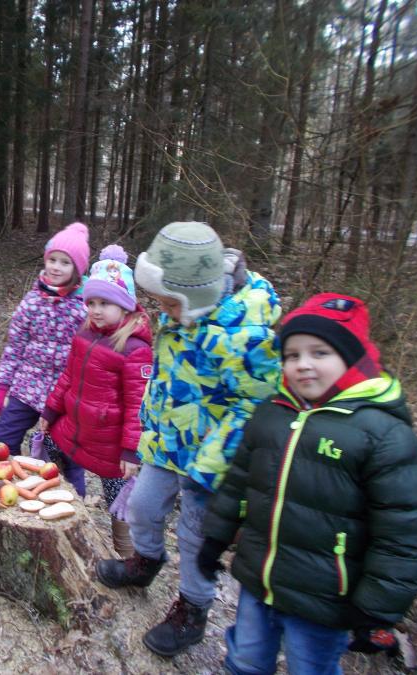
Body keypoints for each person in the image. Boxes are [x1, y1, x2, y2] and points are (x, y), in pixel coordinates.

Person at [198, 293, 417, 675]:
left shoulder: (384, 435)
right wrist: (214, 539)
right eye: (292, 355)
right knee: (244, 660)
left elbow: (400, 533)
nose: (303, 364)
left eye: (319, 353)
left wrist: (376, 609)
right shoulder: (271, 415)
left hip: (324, 600)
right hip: (258, 579)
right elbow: (238, 483)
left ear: (352, 358)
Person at [95, 221, 282, 657]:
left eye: (168, 302)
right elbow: (166, 377)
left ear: (194, 295)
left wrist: (211, 465)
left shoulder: (247, 335)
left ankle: (193, 609)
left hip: (212, 463)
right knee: (142, 506)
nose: (160, 310)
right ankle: (145, 560)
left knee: (197, 535)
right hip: (170, 441)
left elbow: (253, 408)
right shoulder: (183, 311)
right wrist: (149, 423)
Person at [40, 245, 152, 557]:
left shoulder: (135, 349)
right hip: (75, 427)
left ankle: (126, 557)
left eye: (105, 303)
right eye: (91, 303)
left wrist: (131, 450)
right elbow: (68, 376)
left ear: (125, 306)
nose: (96, 310)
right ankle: (62, 516)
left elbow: (138, 406)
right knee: (49, 449)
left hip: (110, 443)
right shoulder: (85, 333)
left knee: (119, 500)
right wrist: (51, 410)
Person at [0, 223, 90, 456]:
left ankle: (55, 475)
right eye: (52, 260)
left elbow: (91, 354)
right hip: (27, 385)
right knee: (0, 439)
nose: (56, 267)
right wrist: (3, 385)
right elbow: (15, 346)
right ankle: (9, 473)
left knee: (57, 453)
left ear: (78, 269)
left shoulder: (84, 307)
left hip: (63, 393)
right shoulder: (32, 301)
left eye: (65, 262)